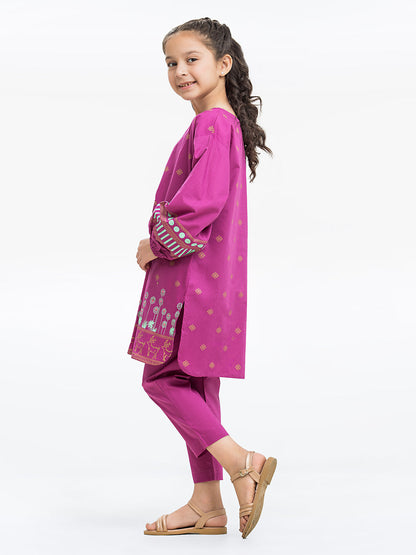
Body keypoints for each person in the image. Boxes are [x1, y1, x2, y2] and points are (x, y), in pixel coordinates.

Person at [127, 17, 276, 538]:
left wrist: (155, 246)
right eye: (171, 62)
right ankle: (208, 504)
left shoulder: (213, 124)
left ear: (223, 64)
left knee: (163, 379)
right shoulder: (221, 124)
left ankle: (242, 463)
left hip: (190, 281)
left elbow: (201, 205)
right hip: (213, 281)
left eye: (192, 59)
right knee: (195, 386)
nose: (180, 71)